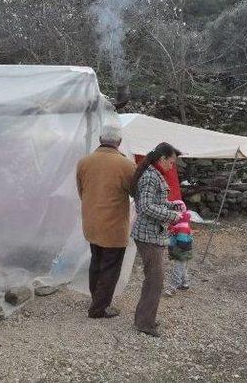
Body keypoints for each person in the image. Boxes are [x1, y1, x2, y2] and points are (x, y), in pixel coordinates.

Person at [76, 121, 136, 318]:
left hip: (91, 221)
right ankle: (98, 308)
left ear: (101, 139)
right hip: (114, 225)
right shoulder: (127, 165)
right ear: (119, 141)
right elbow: (135, 192)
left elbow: (81, 192)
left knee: (96, 261)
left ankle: (96, 298)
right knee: (111, 266)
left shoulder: (84, 162)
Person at [130, 142, 184, 337]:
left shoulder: (153, 174)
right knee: (155, 280)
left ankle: (145, 318)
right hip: (148, 235)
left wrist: (173, 206)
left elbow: (156, 203)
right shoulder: (151, 176)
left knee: (154, 279)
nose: (172, 166)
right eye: (171, 162)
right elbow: (145, 207)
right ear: (162, 159)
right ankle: (144, 322)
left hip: (153, 234)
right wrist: (171, 216)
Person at [164, 205, 193, 296]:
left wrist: (176, 250)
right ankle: (185, 283)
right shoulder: (178, 225)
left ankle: (173, 287)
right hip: (183, 251)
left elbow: (182, 242)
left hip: (181, 251)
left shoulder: (182, 227)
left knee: (177, 269)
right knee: (182, 268)